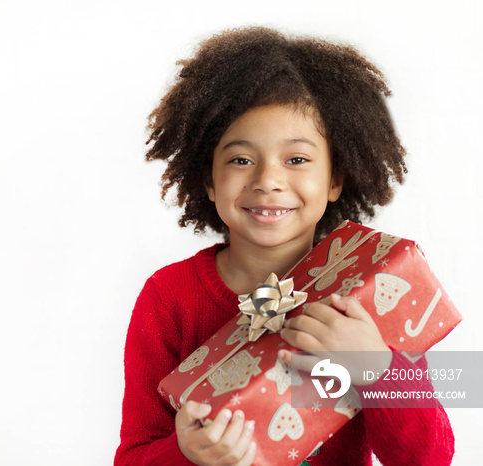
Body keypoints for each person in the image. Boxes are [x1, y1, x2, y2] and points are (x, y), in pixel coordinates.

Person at [114, 27, 455, 465]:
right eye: (241, 159)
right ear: (208, 181)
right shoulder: (168, 299)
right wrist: (187, 453)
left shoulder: (368, 293)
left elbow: (428, 459)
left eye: (297, 159)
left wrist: (378, 370)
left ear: (334, 179)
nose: (268, 180)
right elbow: (134, 456)